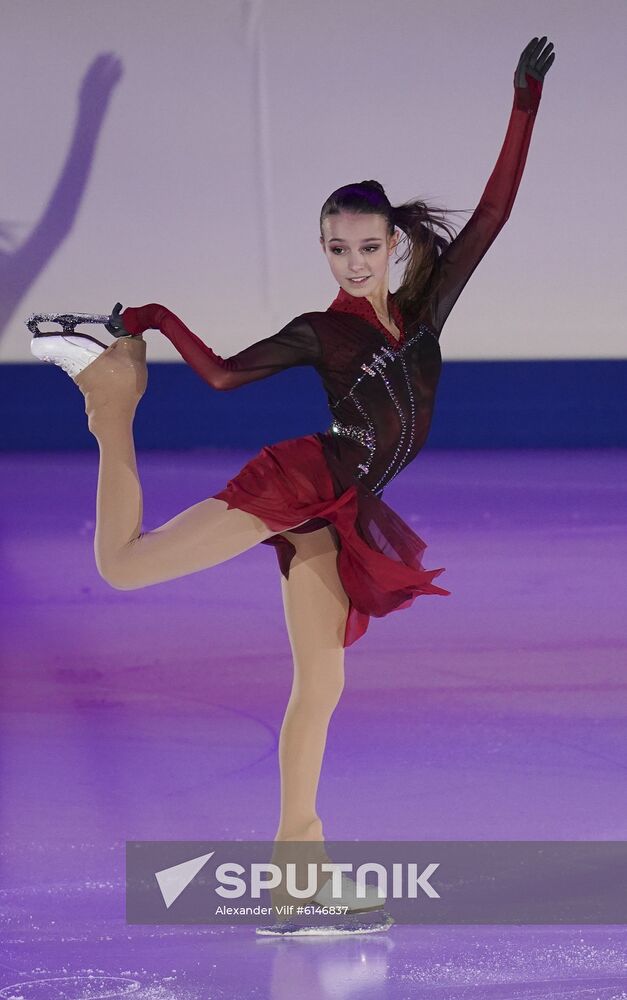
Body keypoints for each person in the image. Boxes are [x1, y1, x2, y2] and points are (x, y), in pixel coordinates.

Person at [28, 36, 554, 932]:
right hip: (302, 479)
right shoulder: (324, 329)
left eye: (366, 246)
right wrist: (153, 319)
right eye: (335, 247)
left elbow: (494, 213)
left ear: (393, 246)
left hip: (337, 507)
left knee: (320, 685)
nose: (352, 261)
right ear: (325, 251)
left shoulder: (424, 310)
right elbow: (227, 377)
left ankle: (294, 885)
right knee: (123, 567)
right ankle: (106, 403)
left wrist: (522, 104)